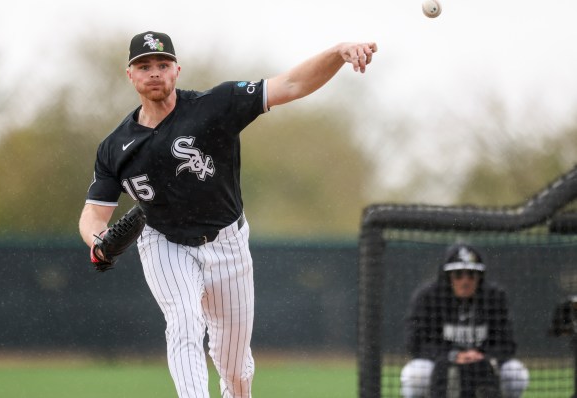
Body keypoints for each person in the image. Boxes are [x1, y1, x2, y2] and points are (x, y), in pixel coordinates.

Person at [78, 31, 377, 398]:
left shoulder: (215, 105)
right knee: (184, 322)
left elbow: (292, 84)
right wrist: (97, 240)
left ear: (176, 70)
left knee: (234, 366)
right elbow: (94, 213)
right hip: (163, 241)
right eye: (144, 66)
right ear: (130, 75)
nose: (154, 72)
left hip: (227, 241)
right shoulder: (114, 147)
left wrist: (337, 52)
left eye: (162, 64)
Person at [400, 243, 529, 398]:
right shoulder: (428, 297)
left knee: (516, 374)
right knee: (415, 375)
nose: (465, 281)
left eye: (471, 274)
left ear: (480, 276)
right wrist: (451, 356)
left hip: (483, 362)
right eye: (458, 274)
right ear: (448, 276)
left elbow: (507, 343)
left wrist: (483, 355)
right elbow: (415, 342)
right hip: (440, 362)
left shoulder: (494, 297)